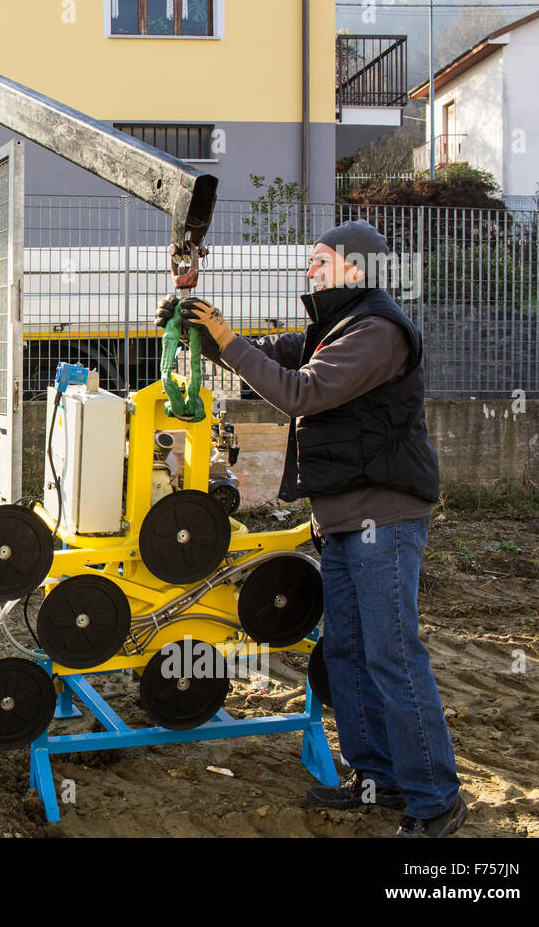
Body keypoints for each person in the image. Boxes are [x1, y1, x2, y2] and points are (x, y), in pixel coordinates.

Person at [156, 219, 464, 838]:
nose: (308, 271)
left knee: (392, 655)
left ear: (356, 269)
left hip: (385, 519)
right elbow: (271, 360)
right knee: (347, 651)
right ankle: (377, 777)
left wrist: (227, 340)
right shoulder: (339, 327)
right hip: (343, 519)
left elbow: (299, 393)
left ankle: (436, 799)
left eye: (320, 262)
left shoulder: (376, 332)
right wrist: (207, 334)